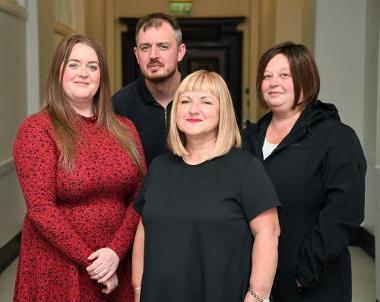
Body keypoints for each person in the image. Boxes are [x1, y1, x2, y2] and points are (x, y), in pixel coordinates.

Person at [13, 33, 146, 301]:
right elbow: (41, 209)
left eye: (92, 66)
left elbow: (140, 196)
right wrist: (93, 263)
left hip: (116, 262)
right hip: (58, 265)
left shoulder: (124, 128)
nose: (83, 73)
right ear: (58, 72)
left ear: (101, 76)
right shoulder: (38, 129)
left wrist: (115, 252)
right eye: (74, 64)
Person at [131, 70, 281, 302]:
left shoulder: (245, 169)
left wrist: (256, 296)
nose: (193, 109)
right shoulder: (160, 167)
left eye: (206, 101)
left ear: (223, 112)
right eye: (185, 101)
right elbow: (143, 229)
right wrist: (139, 289)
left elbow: (268, 233)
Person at [242, 41, 366, 302]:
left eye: (284, 75)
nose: (273, 83)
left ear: (306, 80)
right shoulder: (247, 139)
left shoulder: (335, 137)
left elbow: (344, 213)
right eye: (267, 76)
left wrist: (303, 273)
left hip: (311, 285)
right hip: (256, 284)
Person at [113, 12, 186, 165]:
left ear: (180, 52)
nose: (153, 55)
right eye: (145, 47)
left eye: (163, 46)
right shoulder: (118, 107)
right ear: (137, 55)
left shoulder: (205, 100)